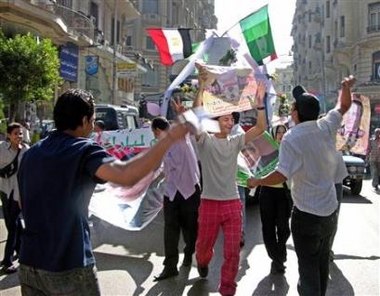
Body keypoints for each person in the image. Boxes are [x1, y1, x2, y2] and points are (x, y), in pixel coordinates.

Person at [17, 89, 190, 295]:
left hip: (29, 265)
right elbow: (126, 175)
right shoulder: (83, 149)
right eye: (92, 120)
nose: (92, 127)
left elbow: (21, 202)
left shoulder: (32, 153)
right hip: (68, 266)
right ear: (83, 120)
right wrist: (168, 139)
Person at [248, 75, 355, 296]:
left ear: (296, 114)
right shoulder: (327, 125)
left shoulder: (291, 137)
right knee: (321, 264)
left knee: (307, 269)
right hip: (329, 211)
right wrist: (345, 87)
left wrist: (258, 181)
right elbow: (344, 105)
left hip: (306, 214)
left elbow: (280, 174)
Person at [178, 64, 268, 296]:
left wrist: (259, 103)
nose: (230, 123)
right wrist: (201, 86)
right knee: (203, 248)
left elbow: (261, 127)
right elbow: (196, 116)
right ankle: (204, 262)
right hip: (208, 203)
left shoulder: (236, 142)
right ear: (216, 121)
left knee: (233, 252)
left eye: (232, 120)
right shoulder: (204, 141)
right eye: (225, 119)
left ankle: (228, 288)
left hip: (232, 205)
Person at [151, 116, 201, 281]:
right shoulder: (163, 146)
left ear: (157, 130)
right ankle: (170, 266)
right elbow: (166, 167)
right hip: (172, 192)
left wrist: (182, 114)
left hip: (189, 191)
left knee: (191, 229)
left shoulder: (180, 136)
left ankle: (188, 253)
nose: (155, 137)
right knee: (170, 230)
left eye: (154, 134)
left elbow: (188, 126)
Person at [258, 123, 292, 275]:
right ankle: (277, 259)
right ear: (273, 134)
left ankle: (279, 255)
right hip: (267, 194)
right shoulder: (266, 152)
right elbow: (257, 171)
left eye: (284, 132)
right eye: (278, 132)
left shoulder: (290, 150)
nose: (281, 135)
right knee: (268, 228)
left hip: (284, 194)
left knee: (284, 228)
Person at [0, 122, 29, 274]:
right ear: (9, 135)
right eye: (16, 133)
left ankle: (7, 261)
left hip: (18, 193)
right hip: (4, 190)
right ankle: (21, 249)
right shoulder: (1, 148)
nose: (19, 136)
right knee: (13, 223)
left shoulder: (26, 151)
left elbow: (27, 174)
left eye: (21, 133)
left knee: (12, 227)